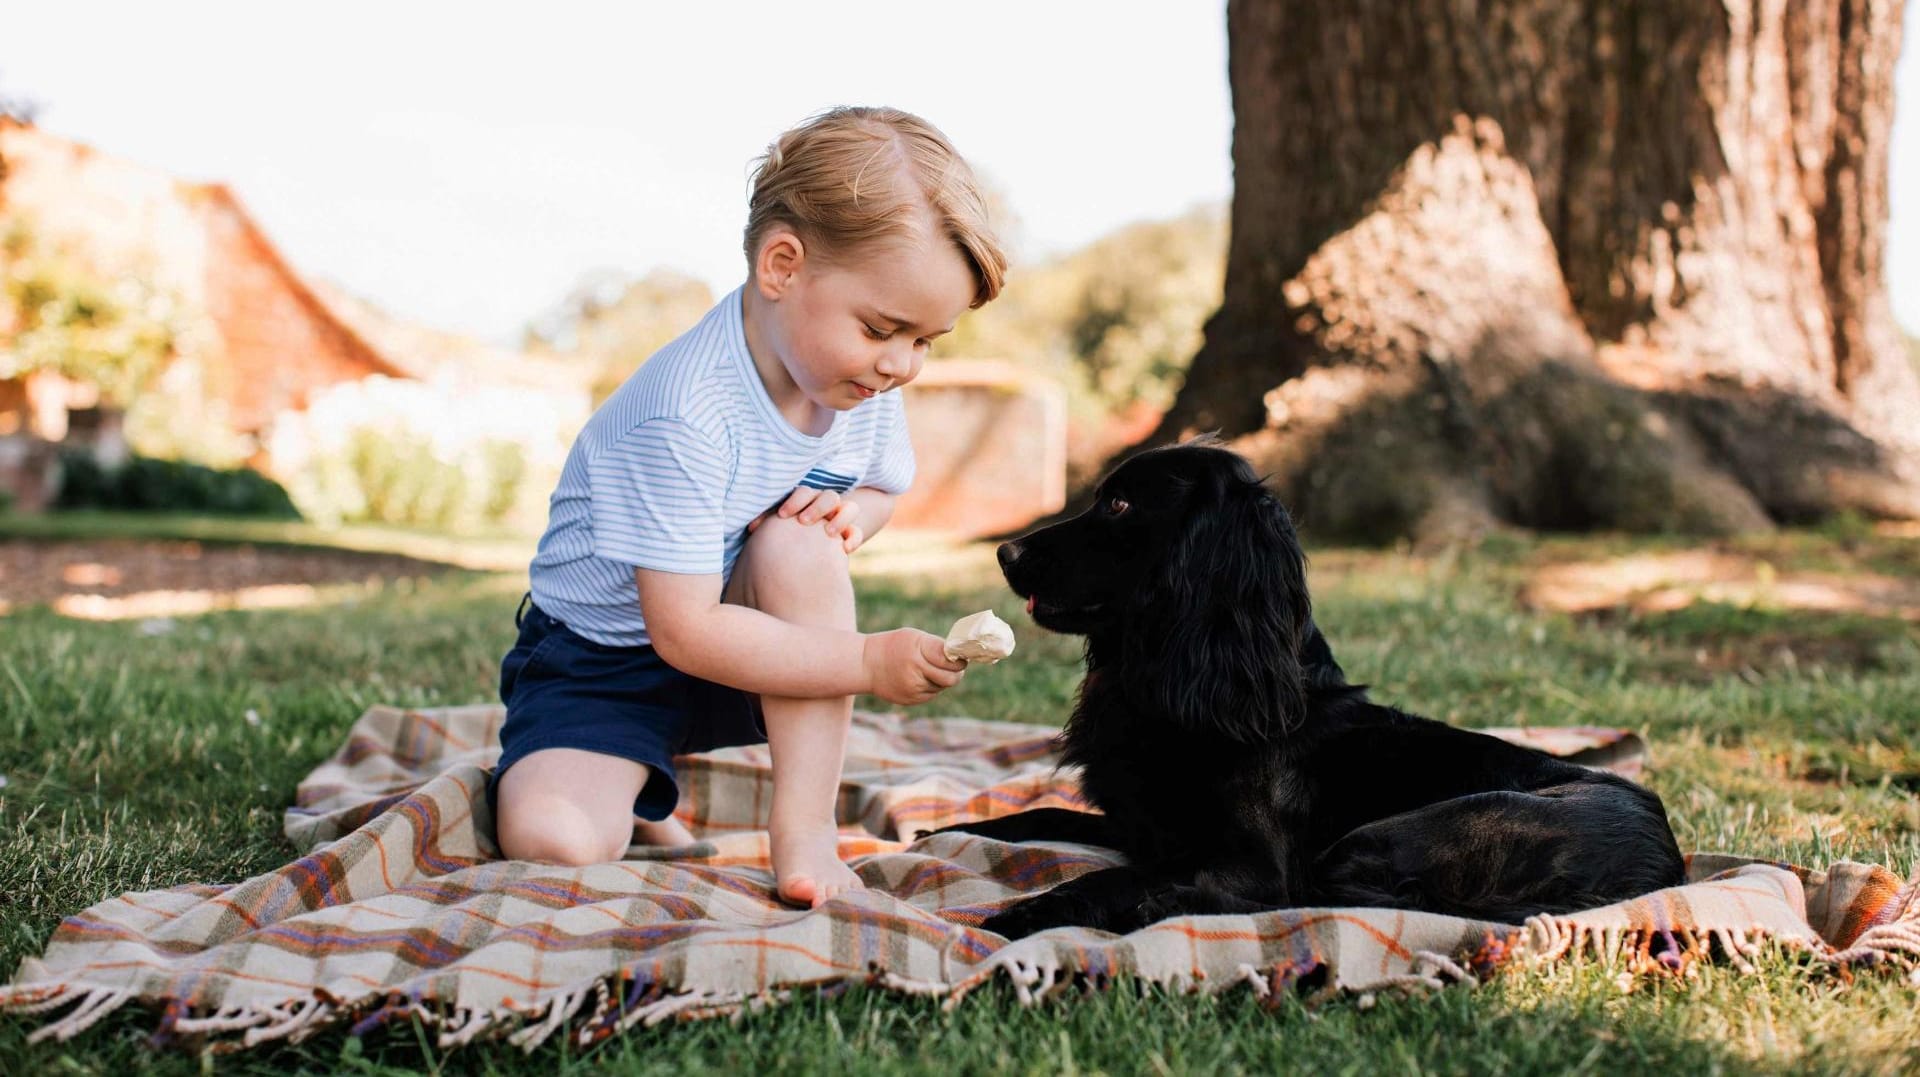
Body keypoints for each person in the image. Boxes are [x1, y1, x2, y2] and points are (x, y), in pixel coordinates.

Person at [492, 106, 1007, 908]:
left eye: (926, 341)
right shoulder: (684, 413)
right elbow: (683, 629)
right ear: (782, 265)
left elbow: (878, 487)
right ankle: (626, 779)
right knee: (554, 843)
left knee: (801, 548)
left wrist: (851, 520)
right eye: (883, 328)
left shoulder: (856, 378)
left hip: (748, 638)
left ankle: (803, 833)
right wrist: (868, 661)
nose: (903, 364)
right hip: (605, 659)